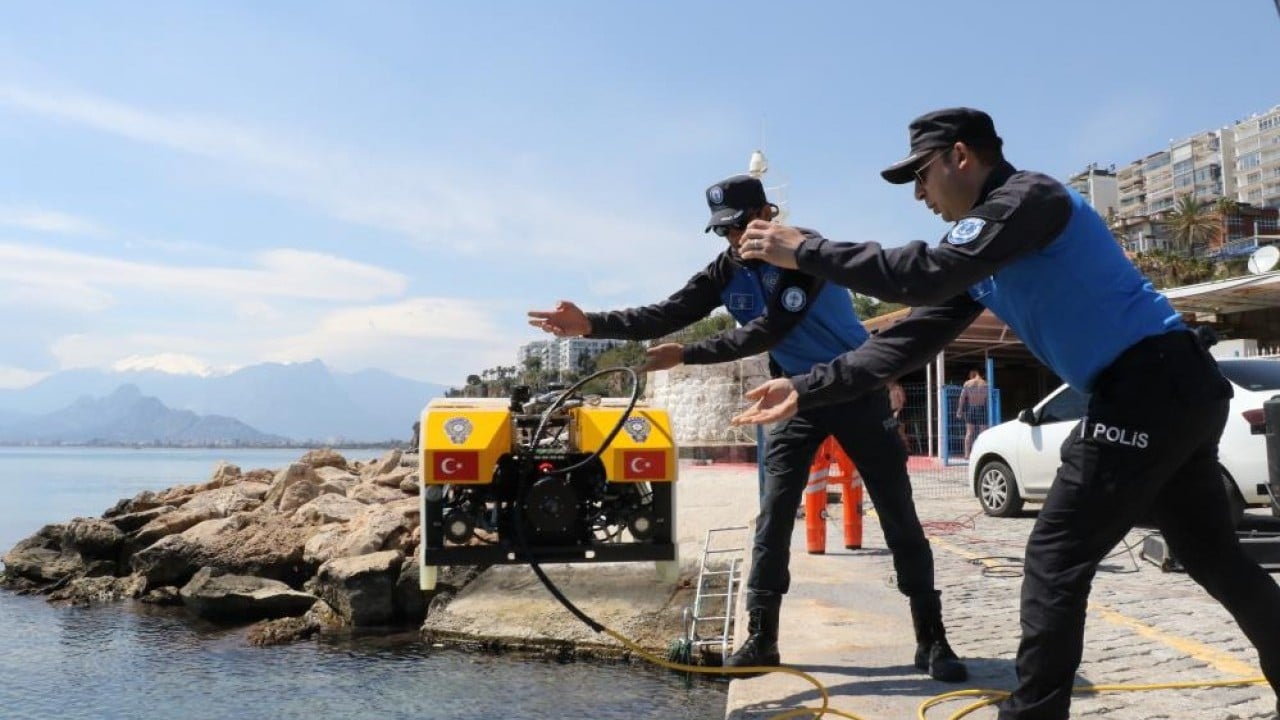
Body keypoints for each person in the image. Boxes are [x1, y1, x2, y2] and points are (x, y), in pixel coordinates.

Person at [729, 107, 1280, 718]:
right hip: (1172, 389)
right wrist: (807, 387)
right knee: (1215, 557)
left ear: (960, 157)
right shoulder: (983, 251)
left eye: (921, 175)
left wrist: (806, 250)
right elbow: (906, 338)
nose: (918, 194)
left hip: (1149, 383)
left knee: (1054, 556)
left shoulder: (1029, 199)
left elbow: (917, 277)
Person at [527, 174, 967, 682]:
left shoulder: (805, 252)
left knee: (897, 511)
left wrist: (688, 354)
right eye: (723, 231)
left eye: (740, 225)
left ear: (767, 213)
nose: (735, 238)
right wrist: (592, 323)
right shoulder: (725, 269)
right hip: (791, 397)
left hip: (854, 387)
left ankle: (932, 638)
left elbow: (773, 329)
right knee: (774, 514)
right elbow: (668, 312)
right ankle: (761, 637)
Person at [955, 369, 988, 459]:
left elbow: (962, 397)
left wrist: (959, 410)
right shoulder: (985, 384)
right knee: (983, 433)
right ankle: (981, 453)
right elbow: (987, 399)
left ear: (971, 375)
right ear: (978, 374)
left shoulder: (967, 383)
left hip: (971, 408)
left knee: (969, 433)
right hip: (982, 408)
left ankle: (966, 454)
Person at [887, 379, 911, 452]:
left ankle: (907, 448)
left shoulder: (898, 389)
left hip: (899, 412)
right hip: (892, 413)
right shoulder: (889, 391)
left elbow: (902, 401)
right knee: (889, 429)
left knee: (900, 431)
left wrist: (898, 411)